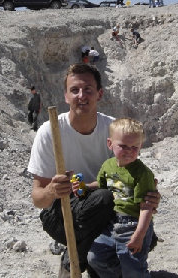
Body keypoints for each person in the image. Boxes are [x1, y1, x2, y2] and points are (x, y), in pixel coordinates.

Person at [27, 63, 161, 276]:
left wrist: (149, 197)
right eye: (75, 90)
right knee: (104, 198)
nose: (82, 95)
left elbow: (133, 177)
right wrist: (52, 190)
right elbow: (37, 199)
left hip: (110, 212)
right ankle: (77, 258)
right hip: (63, 214)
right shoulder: (50, 132)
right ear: (66, 96)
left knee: (146, 237)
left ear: (99, 94)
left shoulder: (114, 132)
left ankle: (84, 257)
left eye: (88, 89)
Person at [87, 118, 156, 277]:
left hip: (133, 223)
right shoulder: (108, 165)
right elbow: (101, 185)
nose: (129, 151)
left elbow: (146, 207)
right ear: (110, 144)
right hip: (111, 222)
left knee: (133, 266)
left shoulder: (142, 173)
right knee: (96, 257)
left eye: (134, 147)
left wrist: (139, 235)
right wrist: (82, 187)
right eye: (123, 146)